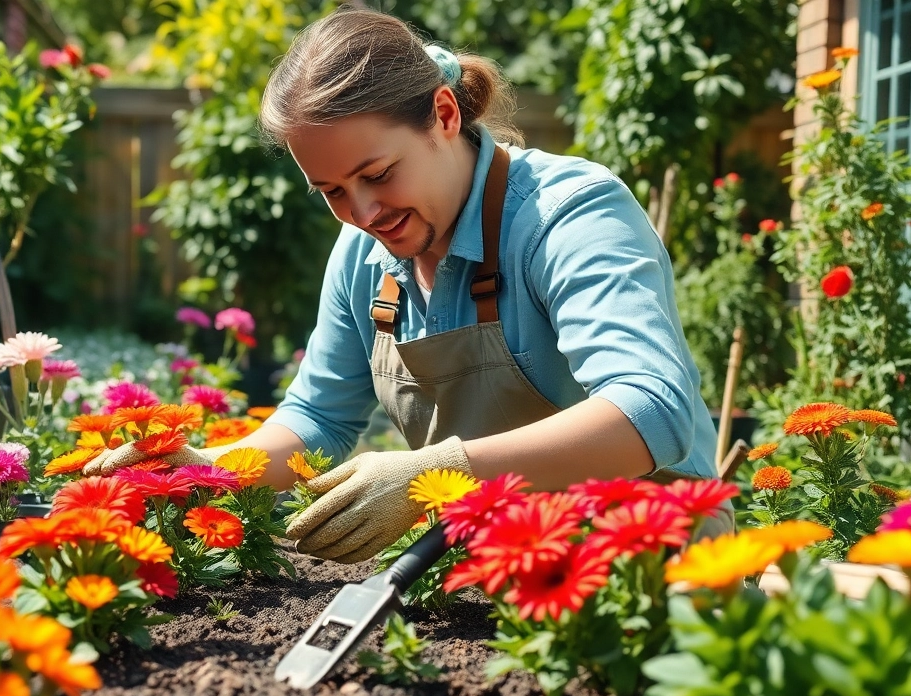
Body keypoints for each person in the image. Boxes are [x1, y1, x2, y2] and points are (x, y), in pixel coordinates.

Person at [86, 7, 728, 563]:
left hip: (652, 568)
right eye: (332, 191)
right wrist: (206, 469)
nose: (363, 213)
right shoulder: (364, 254)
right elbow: (317, 417)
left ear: (443, 114)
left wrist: (440, 468)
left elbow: (654, 410)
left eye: (378, 174)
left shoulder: (568, 214)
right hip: (494, 569)